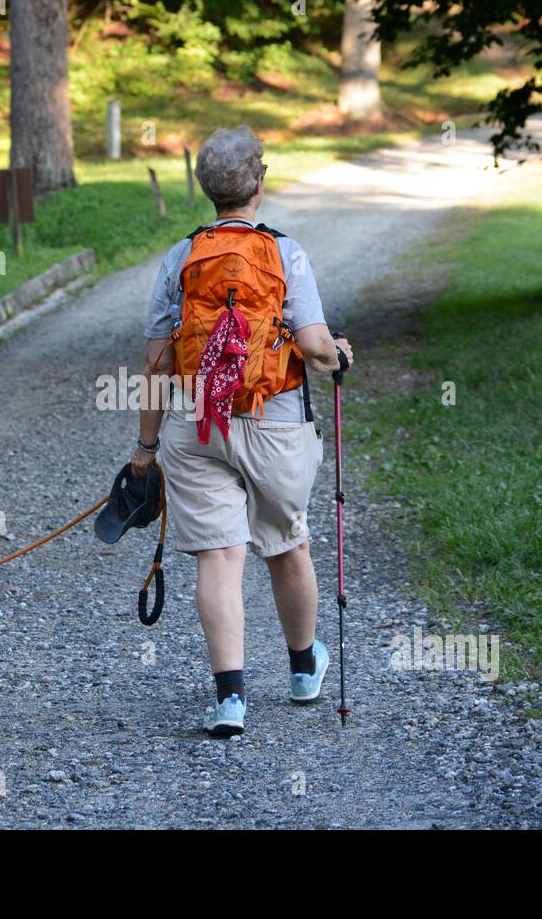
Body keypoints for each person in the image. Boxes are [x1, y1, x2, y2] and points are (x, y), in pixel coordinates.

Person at [130, 124, 353, 736]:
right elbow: (312, 347)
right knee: (286, 543)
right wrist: (338, 353)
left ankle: (230, 700)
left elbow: (157, 364)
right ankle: (304, 670)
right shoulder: (286, 252)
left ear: (208, 190)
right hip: (275, 423)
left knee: (219, 558)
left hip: (196, 423)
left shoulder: (180, 258)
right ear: (258, 184)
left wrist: (144, 452)